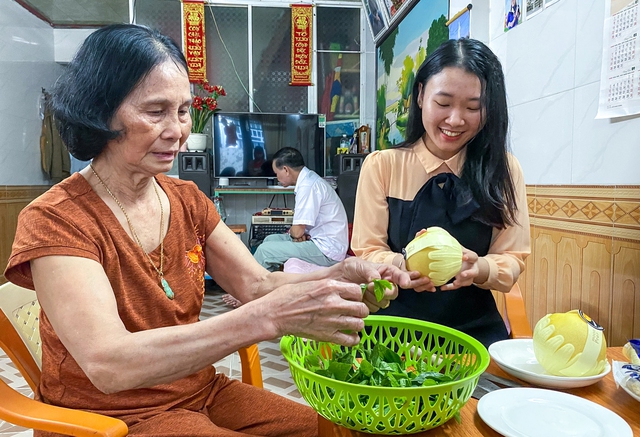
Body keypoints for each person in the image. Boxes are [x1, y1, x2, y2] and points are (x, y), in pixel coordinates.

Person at [3, 24, 414, 437]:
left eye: (182, 111)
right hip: (108, 418)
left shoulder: (187, 200)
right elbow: (109, 364)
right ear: (99, 111)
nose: (177, 130)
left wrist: (334, 276)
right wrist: (266, 319)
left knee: (325, 429)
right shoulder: (56, 218)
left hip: (198, 392)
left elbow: (258, 285)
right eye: (155, 111)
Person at [351, 38, 531, 348]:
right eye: (443, 103)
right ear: (420, 95)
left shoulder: (504, 170)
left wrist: (480, 268)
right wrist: (403, 264)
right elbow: (367, 251)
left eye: (473, 107)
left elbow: (512, 257)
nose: (455, 120)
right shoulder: (383, 165)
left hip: (473, 333)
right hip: (393, 329)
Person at [253, 147, 350, 272]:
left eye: (277, 173)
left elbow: (297, 232)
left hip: (327, 251)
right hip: (316, 239)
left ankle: (245, 290)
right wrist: (299, 235)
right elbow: (299, 231)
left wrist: (298, 235)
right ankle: (270, 283)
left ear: (286, 170)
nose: (276, 178)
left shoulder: (307, 186)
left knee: (264, 251)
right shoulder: (309, 178)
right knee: (269, 240)